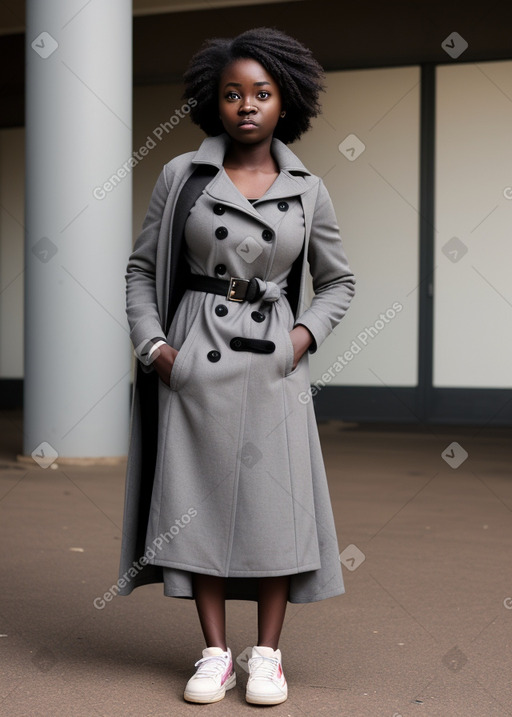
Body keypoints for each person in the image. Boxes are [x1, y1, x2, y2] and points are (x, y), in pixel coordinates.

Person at [118, 26, 355, 706]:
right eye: (232, 94)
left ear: (287, 101)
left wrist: (300, 338)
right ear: (212, 103)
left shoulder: (309, 189)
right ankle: (216, 652)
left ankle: (269, 656)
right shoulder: (181, 178)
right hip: (196, 358)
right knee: (200, 505)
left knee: (273, 511)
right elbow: (140, 271)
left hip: (274, 365)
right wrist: (158, 350)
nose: (246, 105)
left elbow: (339, 281)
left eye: (262, 92)